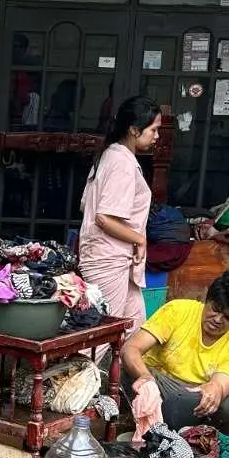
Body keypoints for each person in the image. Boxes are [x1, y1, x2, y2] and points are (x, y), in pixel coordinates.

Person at [120, 270, 229, 439]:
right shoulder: (179, 310)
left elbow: (220, 384)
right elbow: (131, 348)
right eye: (215, 309)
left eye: (228, 318)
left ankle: (216, 445)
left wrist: (214, 388)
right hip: (160, 385)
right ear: (207, 299)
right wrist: (144, 376)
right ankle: (158, 430)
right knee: (125, 369)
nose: (217, 319)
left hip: (196, 401)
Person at [77, 95, 162, 329]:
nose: (157, 136)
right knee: (102, 334)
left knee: (134, 328)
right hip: (109, 259)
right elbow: (104, 217)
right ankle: (70, 368)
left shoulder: (110, 154)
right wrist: (140, 240)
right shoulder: (121, 163)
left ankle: (135, 367)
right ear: (135, 130)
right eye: (153, 130)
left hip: (113, 257)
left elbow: (86, 205)